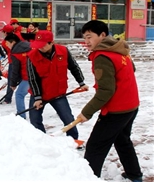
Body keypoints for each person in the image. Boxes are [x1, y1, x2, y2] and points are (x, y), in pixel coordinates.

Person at [77, 20, 142, 181]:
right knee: (122, 141)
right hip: (131, 105)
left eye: (89, 37)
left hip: (116, 110)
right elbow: (131, 68)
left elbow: (106, 90)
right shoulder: (119, 49)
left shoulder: (102, 56)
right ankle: (134, 175)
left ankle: (89, 178)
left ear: (103, 35)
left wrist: (87, 112)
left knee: (95, 147)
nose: (87, 42)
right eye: (85, 38)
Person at [27, 30, 88, 139]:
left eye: (43, 45)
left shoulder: (63, 51)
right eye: (38, 45)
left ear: (51, 42)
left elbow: (74, 67)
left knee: (68, 118)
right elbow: (32, 78)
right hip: (39, 94)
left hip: (58, 93)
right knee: (35, 120)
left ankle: (73, 140)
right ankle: (42, 141)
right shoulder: (32, 56)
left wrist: (81, 82)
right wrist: (37, 97)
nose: (39, 48)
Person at [4, 33, 31, 119]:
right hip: (39, 75)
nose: (7, 46)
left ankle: (21, 116)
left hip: (29, 77)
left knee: (19, 94)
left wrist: (13, 84)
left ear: (13, 42)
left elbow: (15, 70)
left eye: (7, 43)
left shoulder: (15, 52)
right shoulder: (28, 46)